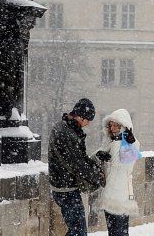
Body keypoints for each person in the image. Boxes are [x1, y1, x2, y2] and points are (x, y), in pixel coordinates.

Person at [49, 98, 105, 236]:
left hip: (65, 186)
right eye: (88, 120)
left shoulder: (69, 129)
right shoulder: (65, 132)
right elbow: (77, 164)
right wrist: (96, 177)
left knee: (77, 230)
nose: (88, 123)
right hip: (65, 189)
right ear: (80, 116)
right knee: (79, 231)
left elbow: (80, 158)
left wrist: (96, 159)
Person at [94, 109, 141, 236]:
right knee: (114, 231)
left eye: (116, 125)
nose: (113, 128)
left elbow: (125, 166)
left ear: (124, 126)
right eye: (111, 125)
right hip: (109, 192)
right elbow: (96, 159)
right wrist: (100, 156)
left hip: (120, 194)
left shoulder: (130, 142)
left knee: (119, 231)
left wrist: (108, 158)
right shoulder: (110, 141)